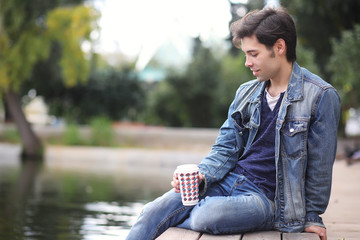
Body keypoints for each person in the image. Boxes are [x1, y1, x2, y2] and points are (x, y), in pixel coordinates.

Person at [126, 7, 340, 240]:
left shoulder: (320, 96)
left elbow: (320, 168)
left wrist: (311, 217)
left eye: (253, 54)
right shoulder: (245, 93)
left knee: (206, 216)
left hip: (267, 200)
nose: (247, 62)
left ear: (279, 47)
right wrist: (201, 175)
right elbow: (225, 147)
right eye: (245, 55)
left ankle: (180, 216)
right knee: (151, 212)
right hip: (227, 181)